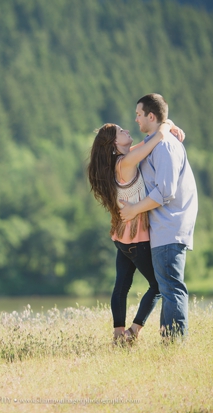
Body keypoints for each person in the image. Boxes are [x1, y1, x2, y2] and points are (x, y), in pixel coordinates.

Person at [87, 120, 183, 345]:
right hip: (136, 238)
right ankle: (133, 331)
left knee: (121, 286)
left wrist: (168, 124)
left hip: (122, 237)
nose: (127, 130)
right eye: (121, 131)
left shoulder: (121, 160)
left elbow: (147, 142)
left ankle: (118, 335)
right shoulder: (126, 162)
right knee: (158, 285)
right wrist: (166, 124)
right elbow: (156, 139)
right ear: (114, 144)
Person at [120, 93, 198, 340]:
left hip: (169, 226)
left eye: (139, 114)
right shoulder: (155, 142)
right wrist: (168, 124)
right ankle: (169, 342)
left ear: (151, 117)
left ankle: (174, 342)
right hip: (164, 226)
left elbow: (165, 192)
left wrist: (133, 209)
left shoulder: (164, 147)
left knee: (172, 287)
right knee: (167, 288)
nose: (136, 119)